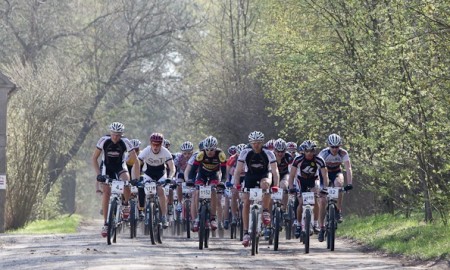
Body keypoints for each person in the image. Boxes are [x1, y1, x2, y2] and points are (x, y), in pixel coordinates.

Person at [92, 122, 140, 237]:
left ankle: (125, 204)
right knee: (106, 192)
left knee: (126, 183)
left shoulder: (126, 142)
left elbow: (136, 161)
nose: (115, 137)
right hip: (106, 168)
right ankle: (106, 224)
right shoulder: (103, 140)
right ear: (110, 133)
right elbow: (94, 158)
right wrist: (99, 174)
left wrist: (136, 178)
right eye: (113, 134)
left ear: (121, 134)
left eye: (118, 135)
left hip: (120, 167)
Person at [233, 131, 280, 247]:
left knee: (265, 185)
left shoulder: (269, 153)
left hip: (265, 174)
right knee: (246, 201)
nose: (256, 145)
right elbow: (238, 171)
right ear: (250, 143)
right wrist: (237, 184)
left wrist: (276, 186)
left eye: (258, 143)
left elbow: (275, 171)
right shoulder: (245, 152)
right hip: (251, 176)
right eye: (253, 143)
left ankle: (265, 211)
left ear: (262, 143)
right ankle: (245, 232)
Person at [288, 140, 329, 242]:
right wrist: (290, 187)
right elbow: (292, 175)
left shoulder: (319, 160)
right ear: (304, 151)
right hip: (301, 180)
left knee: (315, 200)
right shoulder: (298, 159)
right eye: (307, 151)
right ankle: (298, 224)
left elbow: (325, 175)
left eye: (312, 151)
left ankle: (315, 223)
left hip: (313, 179)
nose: (309, 153)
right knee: (301, 202)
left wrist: (325, 188)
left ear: (314, 151)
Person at [134, 132, 175, 229]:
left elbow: (172, 167)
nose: (155, 147)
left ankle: (164, 217)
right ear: (150, 143)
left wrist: (170, 177)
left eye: (158, 144)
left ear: (162, 144)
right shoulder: (146, 150)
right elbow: (137, 164)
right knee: (141, 187)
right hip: (148, 173)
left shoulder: (165, 151)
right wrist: (136, 178)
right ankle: (141, 210)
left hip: (161, 173)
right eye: (153, 144)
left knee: (160, 190)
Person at [189, 136, 227, 232]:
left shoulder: (220, 155)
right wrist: (190, 180)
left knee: (213, 190)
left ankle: (213, 218)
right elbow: (193, 170)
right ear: (204, 149)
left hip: (214, 175)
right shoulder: (201, 155)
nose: (209, 152)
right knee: (197, 191)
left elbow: (224, 171)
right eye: (207, 150)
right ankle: (197, 218)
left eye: (212, 150)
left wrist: (222, 181)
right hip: (202, 174)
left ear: (215, 148)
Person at [319, 134, 353, 223]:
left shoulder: (343, 153)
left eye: (337, 147)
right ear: (329, 145)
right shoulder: (323, 153)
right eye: (332, 147)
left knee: (339, 185)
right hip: (324, 173)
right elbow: (316, 168)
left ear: (340, 146)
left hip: (336, 172)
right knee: (322, 200)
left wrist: (349, 183)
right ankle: (320, 225)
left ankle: (338, 210)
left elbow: (348, 168)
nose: (334, 149)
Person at [273, 138, 294, 218]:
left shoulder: (288, 157)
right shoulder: (270, 156)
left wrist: (293, 184)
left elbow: (293, 171)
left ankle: (284, 209)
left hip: (284, 174)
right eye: (278, 151)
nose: (280, 153)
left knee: (284, 186)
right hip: (273, 175)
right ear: (274, 150)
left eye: (282, 151)